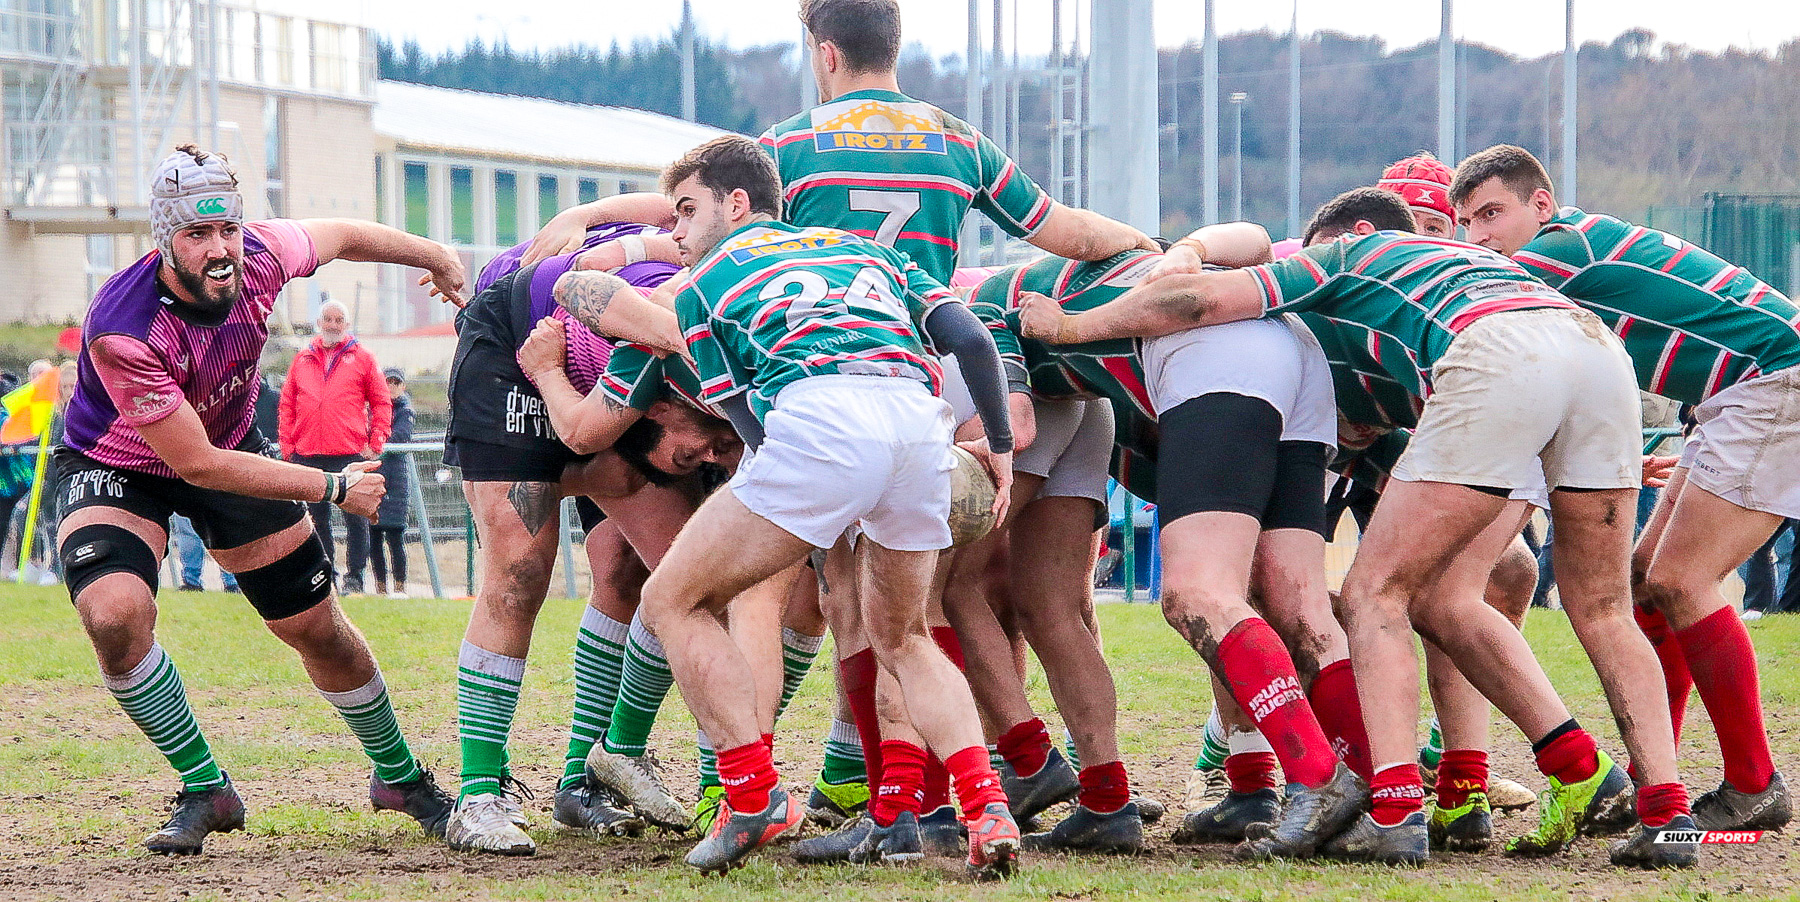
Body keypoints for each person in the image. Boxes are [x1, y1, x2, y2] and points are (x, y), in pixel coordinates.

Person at [1020, 187, 1697, 868]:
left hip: (1496, 358)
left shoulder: (1345, 256)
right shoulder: (1462, 263)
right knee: (1581, 606)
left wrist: (1067, 326)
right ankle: (1655, 808)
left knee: (1375, 594)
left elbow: (1196, 301)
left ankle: (1396, 810)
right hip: (1592, 353)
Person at [606, 135, 1020, 876]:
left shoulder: (702, 286)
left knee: (673, 598)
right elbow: (970, 338)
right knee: (905, 638)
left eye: (686, 211)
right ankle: (986, 808)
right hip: (916, 425)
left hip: (824, 418)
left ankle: (751, 793)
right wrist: (999, 443)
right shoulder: (867, 251)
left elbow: (742, 419)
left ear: (739, 203)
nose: (676, 233)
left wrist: (822, 499)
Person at [54, 144, 466, 854]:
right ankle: (205, 786)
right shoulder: (124, 326)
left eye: (229, 231)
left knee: (319, 630)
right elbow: (198, 465)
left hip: (228, 441)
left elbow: (341, 233)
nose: (220, 251)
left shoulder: (264, 256)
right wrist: (332, 487)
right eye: (197, 235)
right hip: (123, 464)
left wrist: (433, 252)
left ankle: (398, 777)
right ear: (165, 241)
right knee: (115, 615)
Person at [1453, 143, 1797, 833]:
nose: (1478, 236)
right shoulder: (1578, 243)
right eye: (1465, 223)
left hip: (1774, 380)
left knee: (1681, 581)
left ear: (1541, 206)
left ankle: (1754, 783)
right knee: (1645, 579)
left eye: (1492, 213)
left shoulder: (1561, 249)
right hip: (1741, 391)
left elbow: (1473, 310)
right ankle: (1653, 775)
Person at [440, 207, 745, 854]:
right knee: (521, 569)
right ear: (658, 410)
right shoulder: (650, 356)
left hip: (615, 365)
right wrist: (597, 227)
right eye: (713, 443)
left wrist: (605, 222)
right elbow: (581, 427)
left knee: (674, 579)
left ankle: (591, 781)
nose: (720, 457)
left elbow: (680, 203)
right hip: (522, 342)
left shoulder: (747, 357)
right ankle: (477, 796)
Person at [280, 299, 392, 595]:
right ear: (319, 323)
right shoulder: (302, 358)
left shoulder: (364, 358)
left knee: (356, 519)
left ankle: (355, 576)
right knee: (316, 519)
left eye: (338, 319)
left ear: (346, 324)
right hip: (308, 453)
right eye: (328, 319)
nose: (332, 324)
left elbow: (382, 402)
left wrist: (376, 441)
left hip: (350, 453)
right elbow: (287, 403)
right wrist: (287, 446)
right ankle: (325, 572)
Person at [371, 368, 412, 599]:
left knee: (396, 537)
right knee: (374, 537)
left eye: (397, 382)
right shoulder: (372, 408)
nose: (392, 386)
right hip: (374, 476)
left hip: (396, 480)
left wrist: (376, 446)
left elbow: (401, 436)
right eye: (388, 382)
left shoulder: (406, 410)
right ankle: (380, 589)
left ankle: (400, 587)